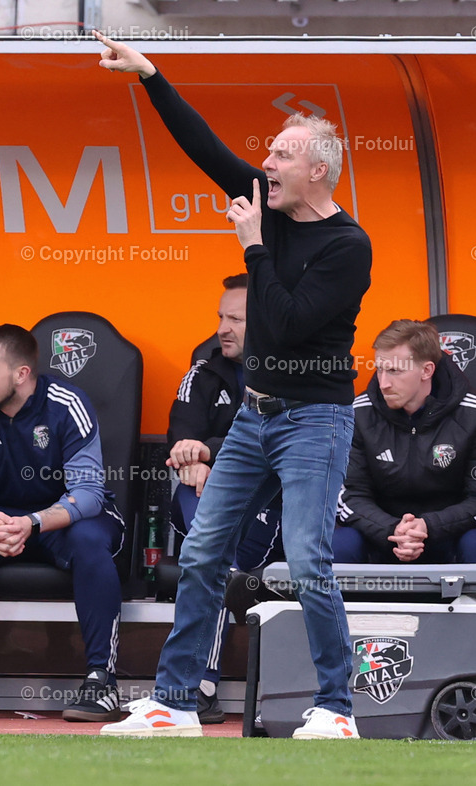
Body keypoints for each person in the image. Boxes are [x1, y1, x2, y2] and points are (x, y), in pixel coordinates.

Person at [96, 33, 372, 739]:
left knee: (308, 557)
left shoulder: (348, 245)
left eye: (281, 155)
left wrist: (250, 246)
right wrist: (151, 76)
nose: (265, 164)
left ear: (316, 171)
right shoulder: (266, 203)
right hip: (254, 418)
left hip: (315, 419)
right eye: (269, 154)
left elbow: (281, 325)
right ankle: (175, 702)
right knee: (200, 551)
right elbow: (203, 147)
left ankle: (337, 708)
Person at [0, 324, 124, 722]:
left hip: (60, 518)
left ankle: (102, 681)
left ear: (21, 374)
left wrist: (31, 523)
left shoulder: (67, 404)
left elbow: (87, 493)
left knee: (89, 540)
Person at [166, 272, 282, 724]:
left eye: (235, 318)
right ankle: (199, 685)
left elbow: (276, 448)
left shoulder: (288, 378)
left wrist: (210, 453)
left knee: (214, 551)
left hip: (270, 510)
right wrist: (193, 458)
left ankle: (197, 680)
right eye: (220, 317)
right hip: (200, 497)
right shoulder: (202, 373)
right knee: (210, 547)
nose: (222, 328)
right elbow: (181, 439)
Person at [336, 320, 476, 564]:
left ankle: (473, 602)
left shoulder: (475, 414)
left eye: (394, 371)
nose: (383, 383)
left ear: (426, 371)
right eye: (379, 369)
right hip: (383, 535)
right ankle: (344, 604)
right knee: (340, 543)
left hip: (449, 535)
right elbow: (349, 497)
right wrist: (392, 529)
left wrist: (427, 526)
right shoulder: (358, 413)